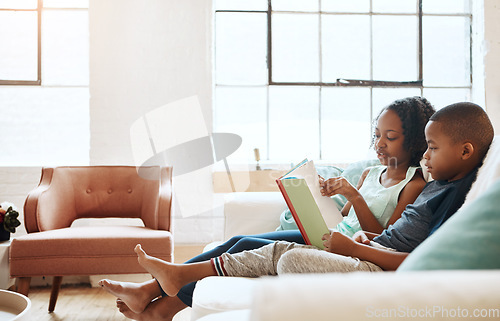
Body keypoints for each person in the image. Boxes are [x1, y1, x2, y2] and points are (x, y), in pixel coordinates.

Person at [99, 102, 494, 320]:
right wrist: (351, 223)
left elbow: (412, 250)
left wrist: (355, 240)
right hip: (355, 242)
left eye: (430, 147)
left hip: (359, 252)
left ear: (464, 151)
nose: (426, 155)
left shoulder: (433, 189)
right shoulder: (431, 183)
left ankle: (167, 287)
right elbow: (394, 236)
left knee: (270, 253)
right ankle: (162, 291)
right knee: (246, 244)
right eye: (377, 136)